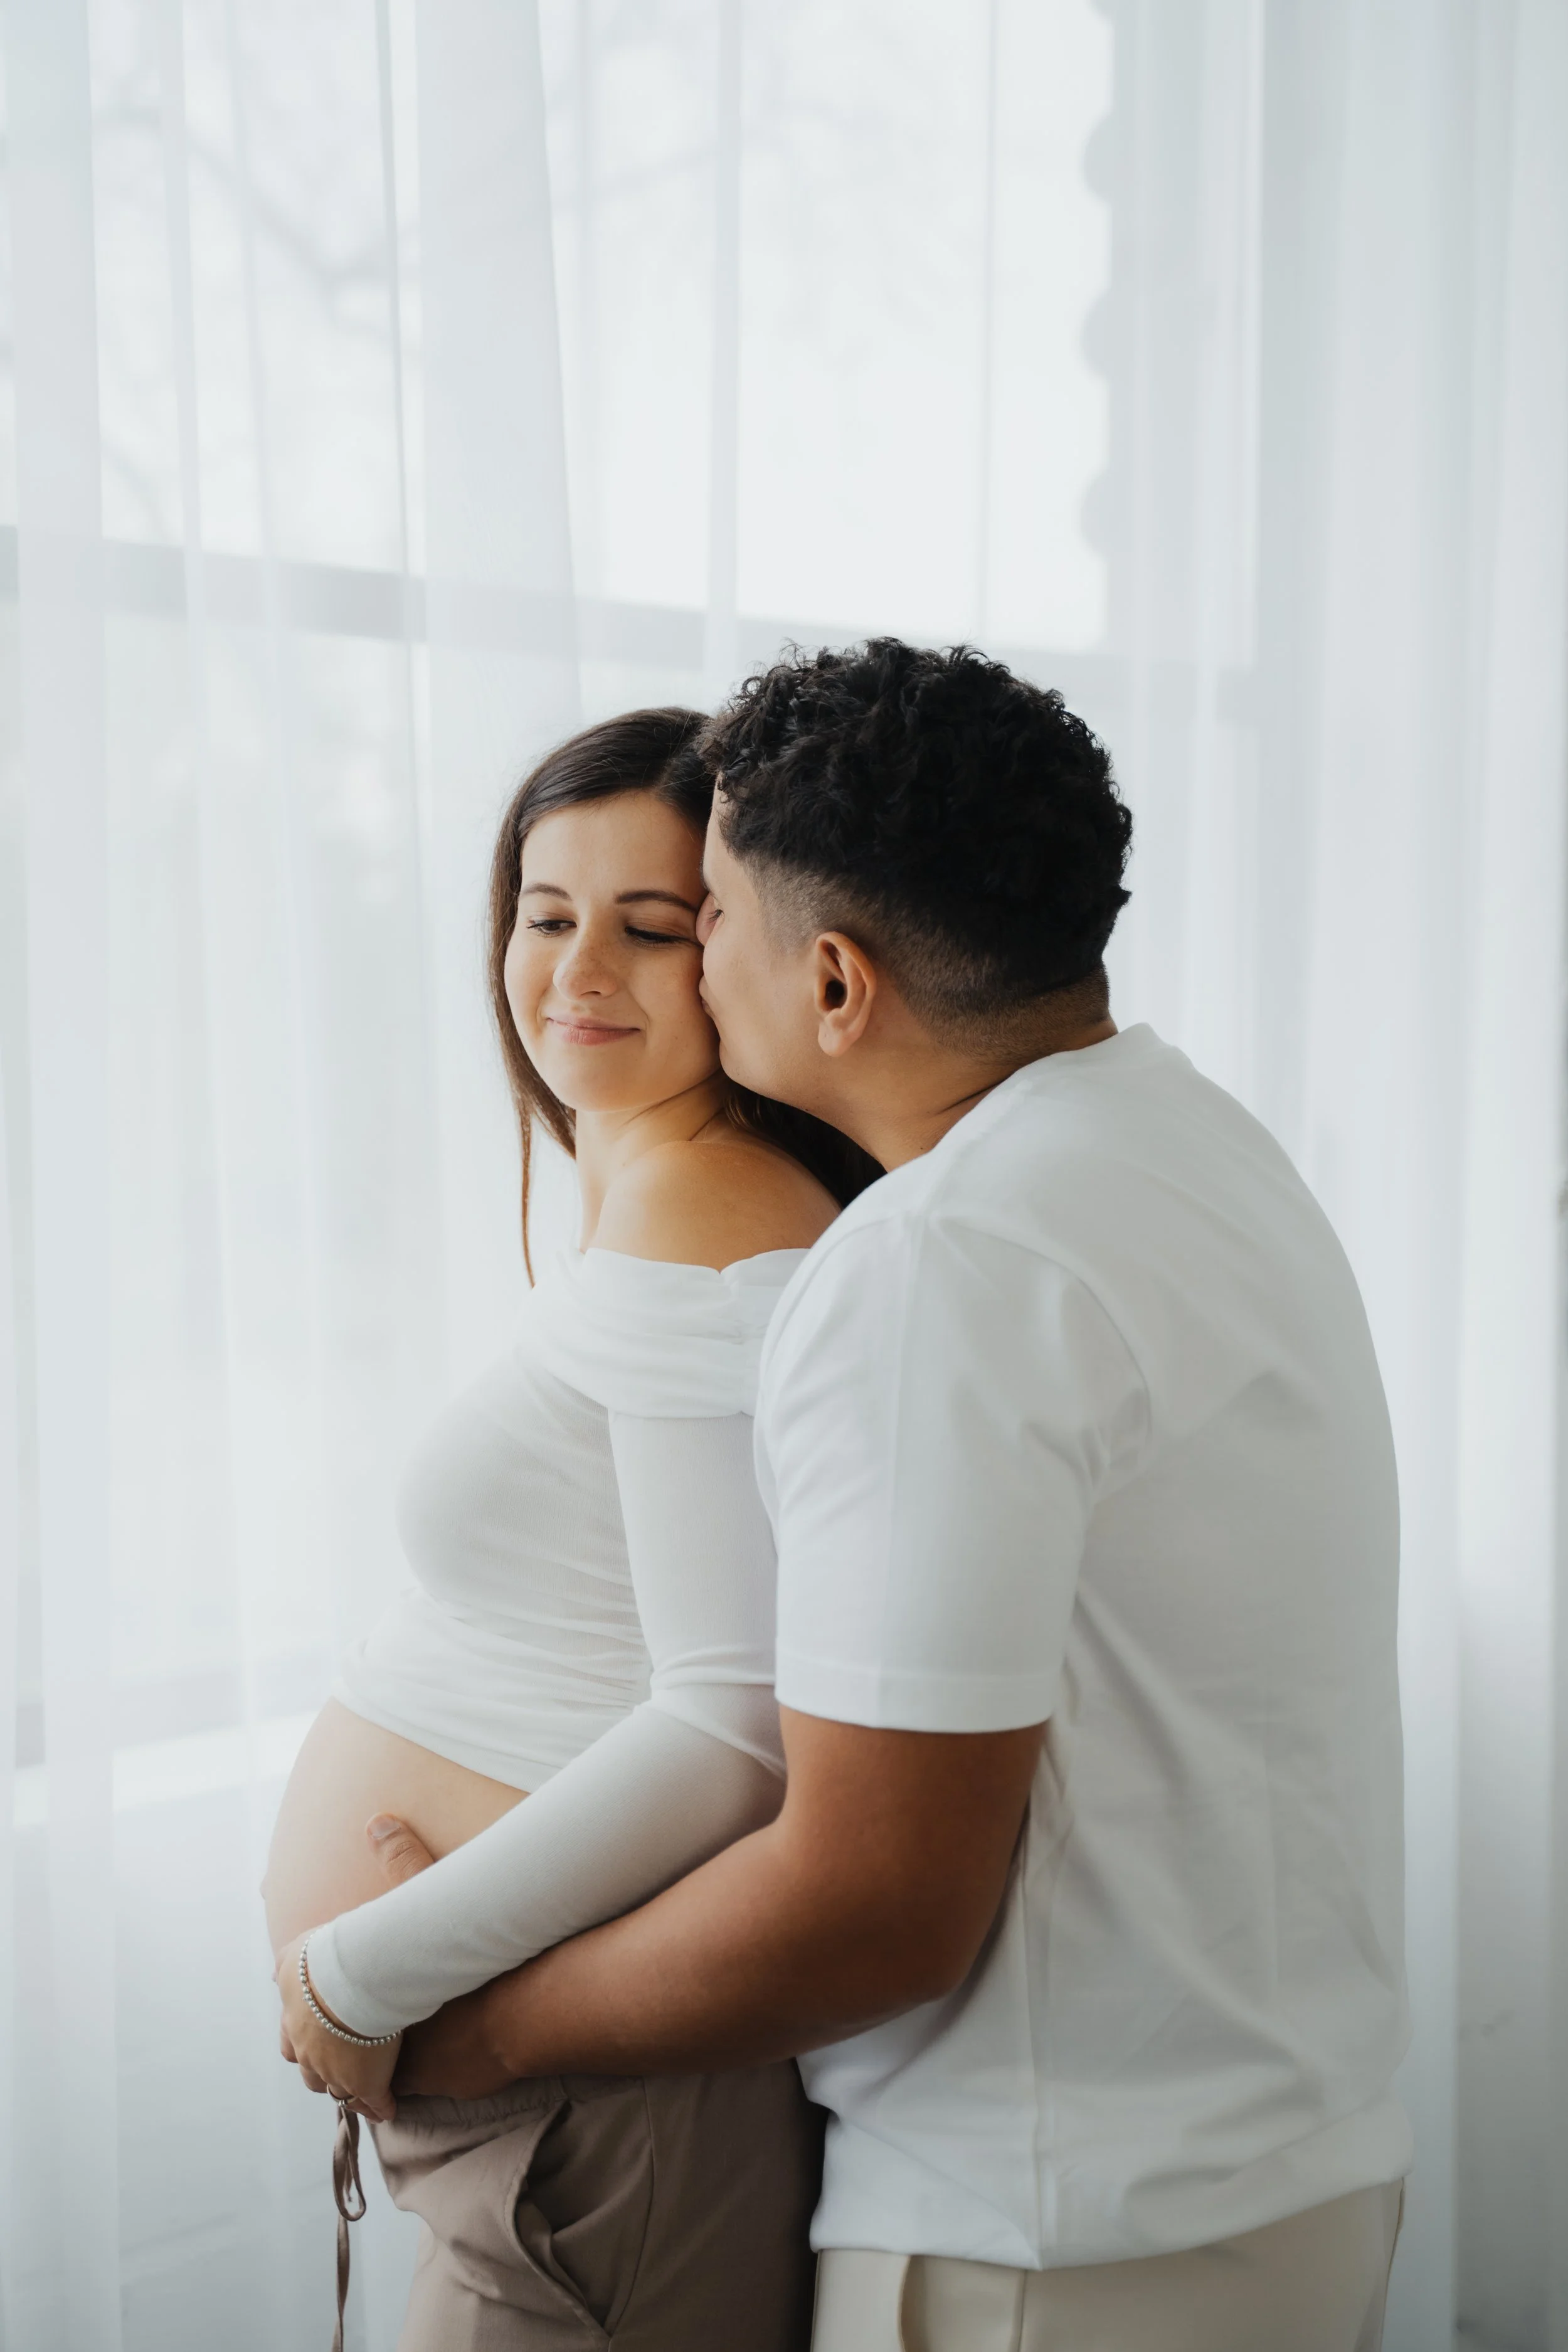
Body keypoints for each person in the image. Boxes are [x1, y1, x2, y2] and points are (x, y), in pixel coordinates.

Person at [374, 640, 1412, 2352]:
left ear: (835, 983)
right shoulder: (1191, 1143)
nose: (686, 956)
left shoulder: (939, 1265)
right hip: (1266, 2186)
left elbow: (874, 1901)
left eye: (697, 911)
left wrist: (453, 2029)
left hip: (1048, 2244)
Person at [264, 706, 877, 2350]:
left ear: (740, 949)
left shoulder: (706, 1207)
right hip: (563, 2129)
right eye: (546, 912)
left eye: (650, 925)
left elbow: (727, 1724)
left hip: (600, 2132)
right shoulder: (653, 1198)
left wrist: (361, 1970)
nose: (577, 969)